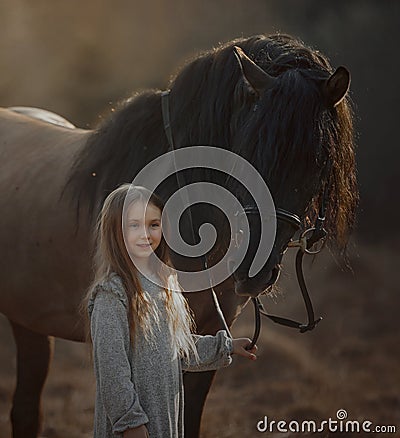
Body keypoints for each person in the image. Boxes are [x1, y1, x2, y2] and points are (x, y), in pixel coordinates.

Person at [82, 183, 258, 438]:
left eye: (153, 224)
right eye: (134, 225)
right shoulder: (112, 294)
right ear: (115, 230)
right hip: (131, 428)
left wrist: (227, 346)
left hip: (164, 421)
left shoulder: (165, 285)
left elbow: (176, 349)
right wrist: (130, 422)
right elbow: (111, 369)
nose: (146, 233)